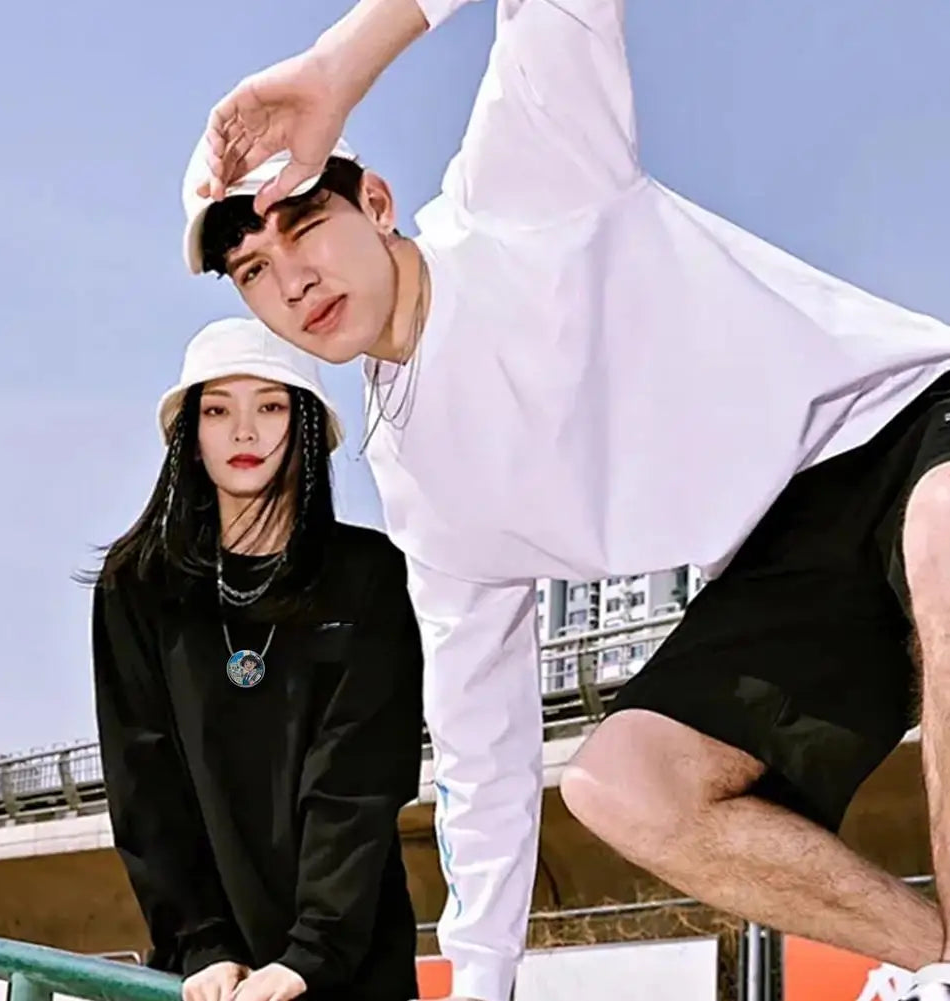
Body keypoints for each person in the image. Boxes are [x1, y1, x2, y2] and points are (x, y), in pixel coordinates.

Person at [178, 3, 950, 999]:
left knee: (941, 533)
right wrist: (483, 980)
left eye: (305, 224)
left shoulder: (521, 183)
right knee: (621, 784)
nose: (293, 281)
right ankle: (937, 960)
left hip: (905, 417)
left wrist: (338, 65)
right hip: (780, 555)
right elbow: (481, 749)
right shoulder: (425, 491)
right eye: (253, 270)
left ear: (373, 200)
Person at [90, 317, 424, 1001]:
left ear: (306, 425)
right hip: (209, 977)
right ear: (190, 434)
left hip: (350, 966)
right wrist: (200, 945)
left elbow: (359, 777)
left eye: (270, 407)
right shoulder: (138, 585)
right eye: (217, 411)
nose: (243, 433)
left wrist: (311, 955)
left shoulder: (370, 576)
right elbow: (143, 781)